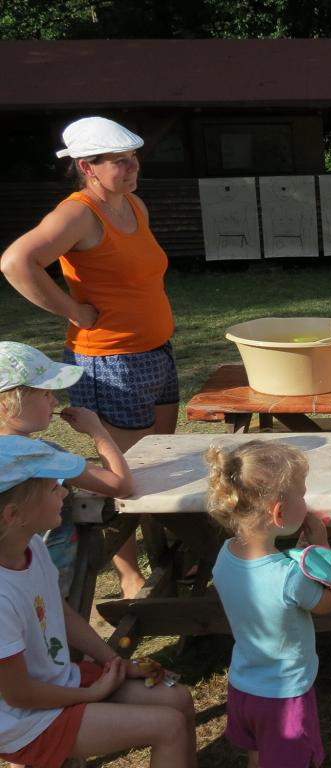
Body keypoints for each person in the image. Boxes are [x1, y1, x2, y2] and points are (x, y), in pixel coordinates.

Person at [1, 116, 179, 598]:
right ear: (87, 167)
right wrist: (73, 310)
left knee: (161, 462)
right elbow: (16, 261)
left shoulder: (134, 205)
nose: (131, 167)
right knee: (120, 470)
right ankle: (128, 573)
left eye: (133, 157)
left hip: (156, 353)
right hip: (110, 363)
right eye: (118, 161)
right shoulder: (78, 214)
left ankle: (164, 551)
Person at [0, 436, 196, 768]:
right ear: (13, 515)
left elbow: (60, 612)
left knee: (178, 698)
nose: (65, 495)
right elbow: (18, 695)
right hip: (22, 722)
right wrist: (90, 694)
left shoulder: (32, 546)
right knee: (169, 726)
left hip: (58, 684)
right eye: (53, 490)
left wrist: (115, 664)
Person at [207, 440, 331, 768]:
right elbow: (329, 602)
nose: (306, 502)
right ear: (279, 513)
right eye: (303, 495)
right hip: (285, 697)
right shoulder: (290, 578)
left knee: (260, 754)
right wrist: (321, 547)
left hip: (243, 687)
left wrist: (299, 552)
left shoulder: (224, 555)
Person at [0, 341, 134, 597]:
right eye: (45, 393)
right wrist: (97, 430)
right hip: (42, 583)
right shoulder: (36, 455)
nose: (55, 400)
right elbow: (121, 485)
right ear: (8, 405)